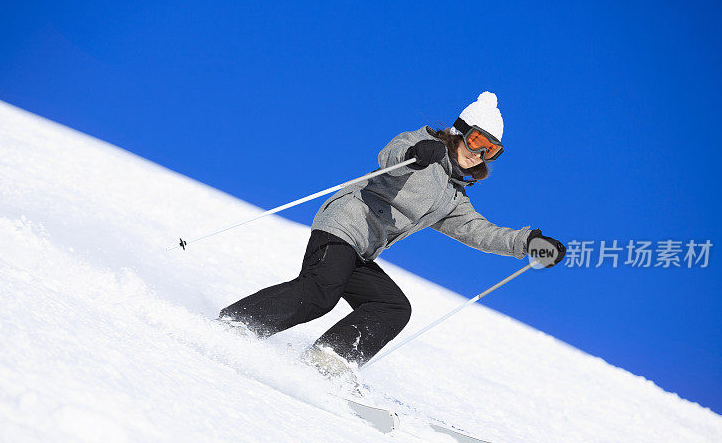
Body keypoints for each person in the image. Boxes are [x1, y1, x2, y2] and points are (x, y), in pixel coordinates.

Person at [219, 92, 565, 375]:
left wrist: (526, 242)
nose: (478, 154)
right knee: (320, 293)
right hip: (346, 224)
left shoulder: (453, 198)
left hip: (363, 250)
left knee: (392, 306)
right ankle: (236, 325)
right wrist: (414, 156)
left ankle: (327, 360)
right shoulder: (423, 145)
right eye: (476, 140)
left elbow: (478, 231)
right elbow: (391, 156)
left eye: (490, 151)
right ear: (459, 131)